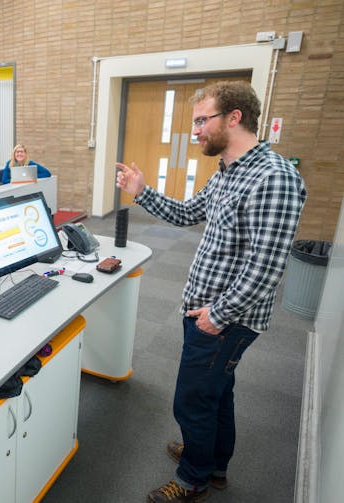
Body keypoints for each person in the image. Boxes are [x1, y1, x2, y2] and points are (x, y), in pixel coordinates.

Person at [114, 81, 307, 503]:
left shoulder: (272, 177)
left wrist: (217, 316)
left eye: (203, 120)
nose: (196, 130)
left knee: (192, 399)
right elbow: (187, 213)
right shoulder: (227, 172)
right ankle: (214, 462)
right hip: (207, 308)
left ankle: (192, 478)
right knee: (216, 392)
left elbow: (267, 267)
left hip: (225, 318)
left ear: (234, 117)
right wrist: (142, 191)